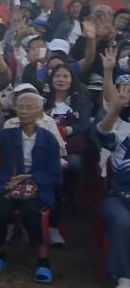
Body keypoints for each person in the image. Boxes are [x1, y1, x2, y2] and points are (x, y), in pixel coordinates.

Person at [0, 88, 60, 283]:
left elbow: (55, 174)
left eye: (29, 107)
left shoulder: (49, 139)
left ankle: (43, 261)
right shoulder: (8, 134)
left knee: (31, 212)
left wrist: (28, 177)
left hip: (38, 189)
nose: (24, 111)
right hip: (7, 186)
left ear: (39, 112)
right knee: (0, 209)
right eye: (21, 107)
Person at [43, 64, 93, 244]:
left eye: (65, 76)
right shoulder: (43, 100)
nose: (61, 80)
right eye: (57, 76)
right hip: (44, 146)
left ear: (72, 80)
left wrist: (66, 130)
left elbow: (85, 125)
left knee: (73, 164)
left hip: (70, 147)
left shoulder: (81, 101)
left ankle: (62, 201)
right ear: (51, 79)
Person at [93, 77, 130, 288]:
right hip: (119, 196)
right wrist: (116, 108)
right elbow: (102, 134)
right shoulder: (123, 139)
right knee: (123, 222)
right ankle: (125, 278)